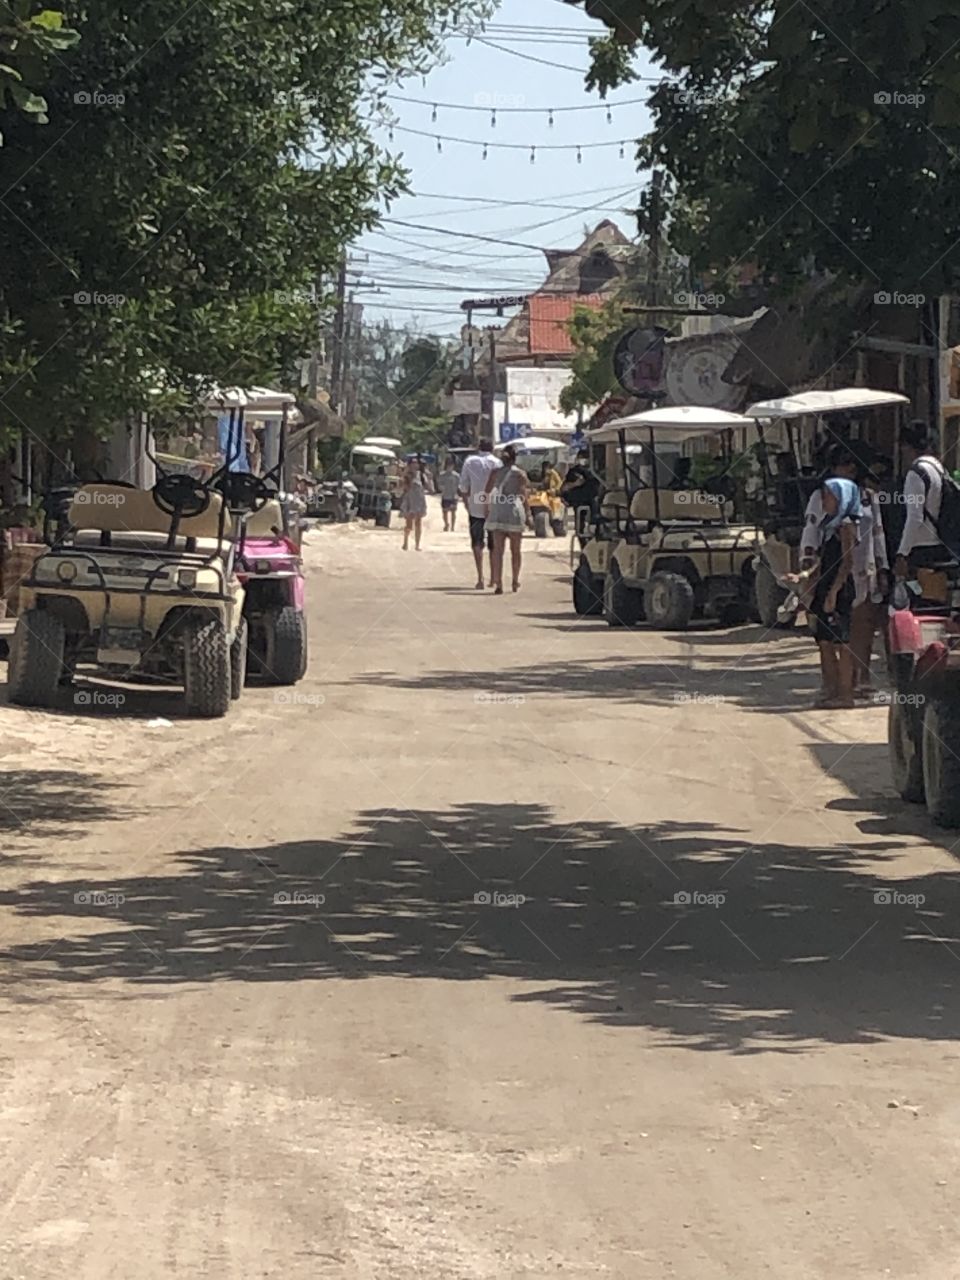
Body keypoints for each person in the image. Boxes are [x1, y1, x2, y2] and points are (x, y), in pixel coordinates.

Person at [799, 444, 862, 708]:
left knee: (842, 641)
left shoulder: (847, 524)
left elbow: (847, 562)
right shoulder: (829, 524)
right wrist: (805, 573)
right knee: (824, 639)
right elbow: (825, 559)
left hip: (840, 588)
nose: (824, 501)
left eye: (829, 496)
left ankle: (845, 694)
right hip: (827, 584)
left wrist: (834, 592)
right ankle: (831, 688)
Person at [849, 463, 889, 698]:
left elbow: (878, 533)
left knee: (866, 626)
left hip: (867, 571)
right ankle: (845, 680)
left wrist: (883, 567)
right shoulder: (829, 495)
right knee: (846, 628)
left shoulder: (869, 499)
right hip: (841, 571)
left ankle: (862, 677)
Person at [895, 423, 947, 576]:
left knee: (917, 596)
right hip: (939, 541)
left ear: (908, 446)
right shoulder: (938, 469)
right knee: (936, 597)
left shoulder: (916, 473)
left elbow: (915, 517)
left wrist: (902, 553)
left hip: (920, 547)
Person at [484, 443, 529, 594]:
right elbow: (524, 495)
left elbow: (487, 491)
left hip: (498, 509)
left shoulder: (495, 472)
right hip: (514, 510)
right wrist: (528, 514)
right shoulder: (520, 474)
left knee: (498, 550)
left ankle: (499, 583)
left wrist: (487, 508)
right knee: (516, 550)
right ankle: (515, 581)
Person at [459, 438, 501, 589]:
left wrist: (466, 502)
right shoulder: (497, 463)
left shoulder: (470, 461)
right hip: (494, 507)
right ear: (492, 448)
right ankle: (494, 578)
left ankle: (480, 578)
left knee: (477, 543)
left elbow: (463, 486)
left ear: (479, 447)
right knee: (494, 544)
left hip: (475, 507)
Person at [560, 447, 603, 539]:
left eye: (586, 457)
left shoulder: (594, 471)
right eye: (582, 457)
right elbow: (564, 488)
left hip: (592, 501)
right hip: (579, 501)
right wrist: (576, 484)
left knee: (594, 524)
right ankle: (582, 541)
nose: (584, 460)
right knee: (580, 526)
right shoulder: (574, 471)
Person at [399, 459, 427, 551]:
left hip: (419, 500)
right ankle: (405, 542)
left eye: (416, 463)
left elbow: (426, 486)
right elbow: (404, 487)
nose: (415, 465)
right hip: (410, 501)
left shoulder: (421, 475)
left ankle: (417, 544)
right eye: (413, 463)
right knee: (409, 524)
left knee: (418, 523)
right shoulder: (407, 475)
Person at [438, 456, 461, 532]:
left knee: (453, 512)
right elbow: (439, 484)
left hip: (453, 496)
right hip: (445, 496)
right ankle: (446, 524)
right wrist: (442, 488)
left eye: (451, 465)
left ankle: (453, 526)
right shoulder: (442, 475)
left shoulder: (456, 476)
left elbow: (459, 485)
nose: (450, 467)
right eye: (448, 465)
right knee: (445, 512)